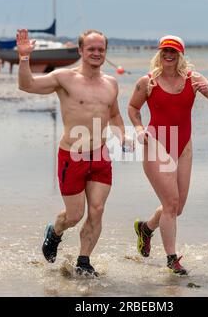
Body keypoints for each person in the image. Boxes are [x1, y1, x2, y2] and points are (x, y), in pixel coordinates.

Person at [17, 28, 131, 277]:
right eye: (91, 48)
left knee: (97, 209)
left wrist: (122, 136)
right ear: (80, 50)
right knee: (74, 215)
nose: (96, 53)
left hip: (100, 154)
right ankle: (55, 231)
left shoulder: (111, 83)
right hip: (72, 156)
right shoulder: (65, 78)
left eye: (101, 49)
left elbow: (114, 115)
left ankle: (84, 260)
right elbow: (27, 85)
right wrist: (25, 57)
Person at [127, 35, 208, 275]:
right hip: (156, 145)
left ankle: (146, 228)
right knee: (170, 204)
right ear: (159, 54)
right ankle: (172, 259)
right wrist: (139, 129)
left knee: (176, 207)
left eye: (173, 51)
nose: (169, 55)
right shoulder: (147, 81)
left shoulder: (193, 80)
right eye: (165, 51)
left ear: (180, 54)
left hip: (183, 147)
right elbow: (133, 108)